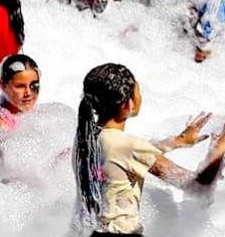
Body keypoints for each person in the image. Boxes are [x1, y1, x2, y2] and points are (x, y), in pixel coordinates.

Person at [73, 63, 225, 235]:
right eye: (138, 91)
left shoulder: (85, 138)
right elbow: (198, 186)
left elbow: (122, 157)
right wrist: (219, 146)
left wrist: (176, 142)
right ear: (127, 105)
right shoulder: (130, 147)